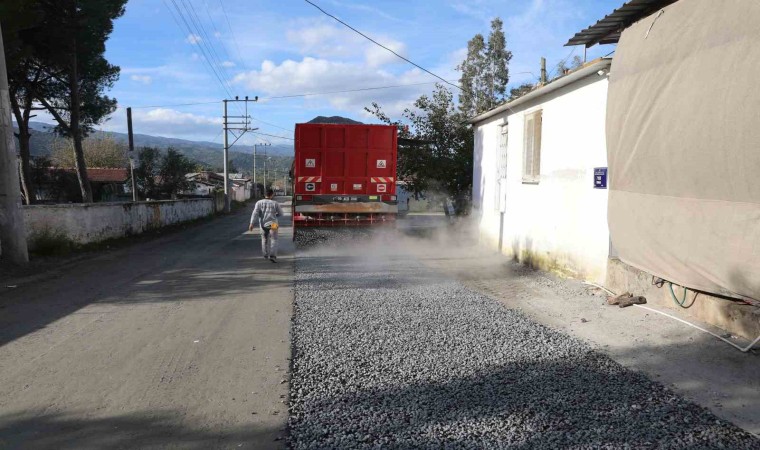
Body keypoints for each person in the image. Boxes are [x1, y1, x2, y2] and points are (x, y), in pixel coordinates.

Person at [249, 189, 283, 262]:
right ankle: (273, 255)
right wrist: (274, 215)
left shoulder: (259, 202)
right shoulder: (275, 203)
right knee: (274, 239)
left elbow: (255, 213)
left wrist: (251, 223)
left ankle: (265, 254)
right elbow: (281, 214)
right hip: (273, 223)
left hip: (263, 224)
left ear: (264, 195)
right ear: (272, 194)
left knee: (264, 239)